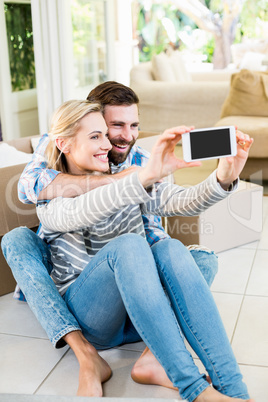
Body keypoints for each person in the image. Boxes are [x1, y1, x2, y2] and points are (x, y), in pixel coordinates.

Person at [2, 82, 219, 395]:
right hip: (94, 297)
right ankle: (84, 352)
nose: (124, 137)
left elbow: (172, 200)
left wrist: (224, 177)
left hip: (138, 295)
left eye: (133, 126)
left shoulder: (140, 158)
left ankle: (152, 357)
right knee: (17, 239)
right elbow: (32, 188)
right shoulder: (55, 155)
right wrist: (126, 182)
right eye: (111, 127)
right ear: (94, 119)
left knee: (196, 258)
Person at [34, 98, 254, 402]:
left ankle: (235, 391)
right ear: (64, 144)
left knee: (172, 249)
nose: (108, 144)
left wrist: (224, 177)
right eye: (96, 136)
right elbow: (82, 211)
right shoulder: (49, 192)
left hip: (139, 313)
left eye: (105, 136)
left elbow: (179, 200)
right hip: (95, 320)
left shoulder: (130, 178)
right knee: (130, 244)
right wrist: (141, 177)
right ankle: (196, 390)